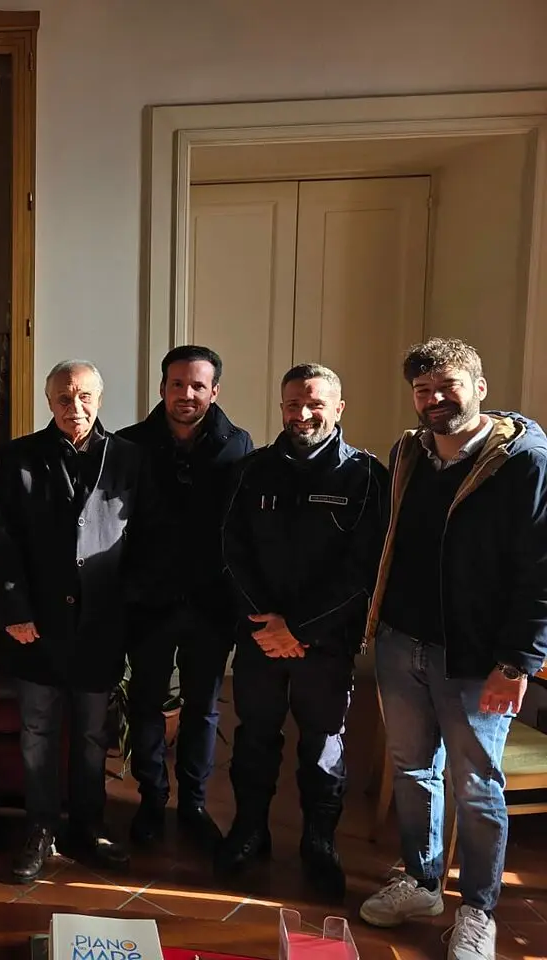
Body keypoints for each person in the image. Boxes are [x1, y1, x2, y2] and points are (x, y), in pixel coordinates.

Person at [358, 339, 547, 960]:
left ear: (480, 387)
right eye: (423, 390)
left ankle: (479, 911)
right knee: (413, 769)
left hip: (475, 658)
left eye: (448, 386)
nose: (435, 399)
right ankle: (421, 882)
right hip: (401, 642)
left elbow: (540, 571)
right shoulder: (409, 452)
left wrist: (517, 661)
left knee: (477, 785)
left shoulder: (524, 461)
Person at [217, 363, 388, 900]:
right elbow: (230, 552)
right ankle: (249, 831)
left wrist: (300, 628)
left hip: (326, 642)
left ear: (339, 408)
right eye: (293, 403)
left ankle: (319, 842)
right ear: (282, 407)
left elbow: (365, 570)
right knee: (254, 738)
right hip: (259, 638)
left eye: (315, 403)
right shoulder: (251, 471)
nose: (303, 413)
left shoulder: (366, 476)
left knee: (322, 745)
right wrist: (268, 624)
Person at [0, 360, 149, 882]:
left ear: (100, 399)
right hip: (36, 625)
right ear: (49, 402)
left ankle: (88, 826)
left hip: (100, 625)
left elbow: (143, 539)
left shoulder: (128, 457)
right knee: (37, 732)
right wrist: (15, 609)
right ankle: (40, 828)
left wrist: (126, 608)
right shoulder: (17, 456)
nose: (74, 406)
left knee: (90, 735)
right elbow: (3, 538)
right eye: (64, 398)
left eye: (84, 396)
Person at [116, 345, 253, 851]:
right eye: (178, 384)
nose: (187, 394)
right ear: (163, 388)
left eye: (198, 385)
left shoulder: (238, 445)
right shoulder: (130, 443)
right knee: (146, 704)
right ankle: (152, 798)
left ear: (214, 391)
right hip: (148, 602)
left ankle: (193, 803)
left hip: (209, 604)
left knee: (204, 707)